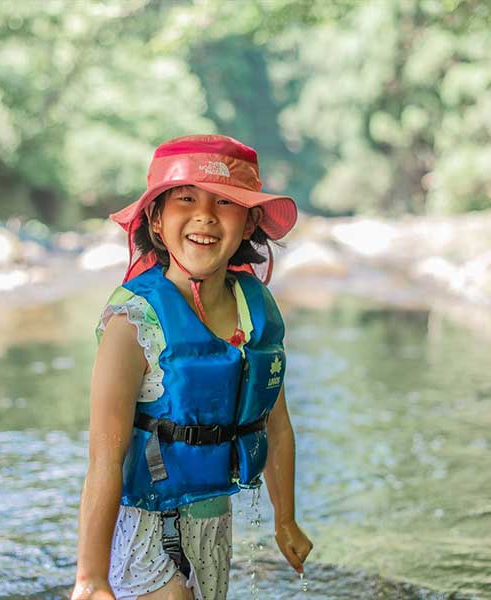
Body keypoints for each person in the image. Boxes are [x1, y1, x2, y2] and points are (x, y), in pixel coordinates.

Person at [71, 135, 313, 600]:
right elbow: (104, 457)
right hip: (142, 521)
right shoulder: (135, 322)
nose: (204, 215)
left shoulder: (255, 310)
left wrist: (286, 520)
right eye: (186, 199)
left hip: (212, 518)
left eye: (225, 202)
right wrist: (90, 576)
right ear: (157, 221)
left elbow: (276, 424)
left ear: (249, 224)